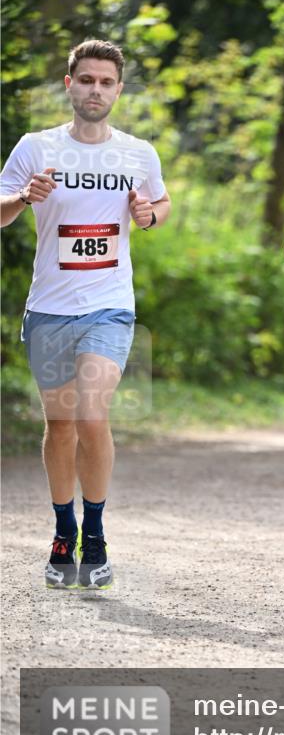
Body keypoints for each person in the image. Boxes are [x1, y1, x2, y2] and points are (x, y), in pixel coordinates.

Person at [0, 38, 170, 590]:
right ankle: (62, 531)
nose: (97, 90)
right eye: (88, 80)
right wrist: (24, 197)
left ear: (118, 90)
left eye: (107, 82)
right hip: (49, 308)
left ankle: (94, 534)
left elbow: (160, 202)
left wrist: (147, 215)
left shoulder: (137, 153)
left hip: (109, 306)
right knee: (60, 426)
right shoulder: (36, 147)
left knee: (92, 416)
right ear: (69, 84)